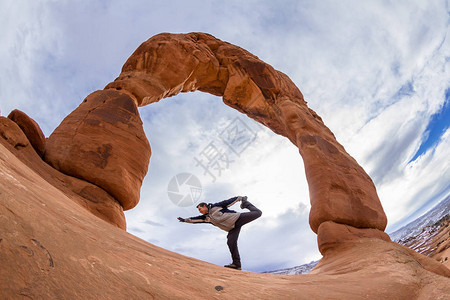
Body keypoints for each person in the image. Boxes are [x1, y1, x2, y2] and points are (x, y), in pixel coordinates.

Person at [177, 196, 262, 270]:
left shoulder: (216, 206)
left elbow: (228, 201)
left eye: (200, 209)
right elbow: (195, 220)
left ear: (204, 206)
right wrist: (184, 220)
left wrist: (241, 199)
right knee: (230, 242)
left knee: (257, 213)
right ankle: (237, 264)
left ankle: (246, 204)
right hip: (232, 228)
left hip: (237, 218)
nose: (200, 211)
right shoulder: (206, 218)